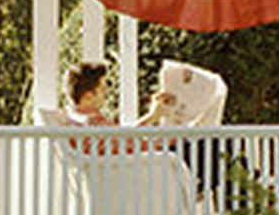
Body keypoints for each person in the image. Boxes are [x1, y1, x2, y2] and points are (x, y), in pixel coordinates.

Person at [63, 61, 216, 191]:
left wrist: (152, 117)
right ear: (89, 96)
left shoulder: (79, 119)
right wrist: (158, 130)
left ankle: (199, 188)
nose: (107, 93)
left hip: (142, 160)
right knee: (213, 146)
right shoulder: (91, 123)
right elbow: (127, 139)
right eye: (103, 88)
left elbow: (124, 136)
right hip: (147, 165)